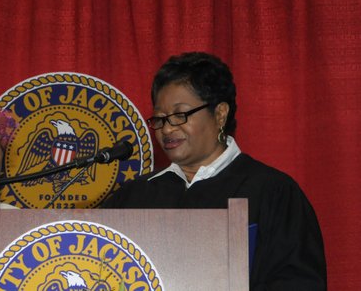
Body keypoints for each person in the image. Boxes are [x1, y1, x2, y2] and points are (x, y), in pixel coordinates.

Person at [102, 52, 326, 290]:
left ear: (220, 114)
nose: (167, 129)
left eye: (180, 115)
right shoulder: (131, 198)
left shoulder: (272, 192)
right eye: (160, 118)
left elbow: (299, 283)